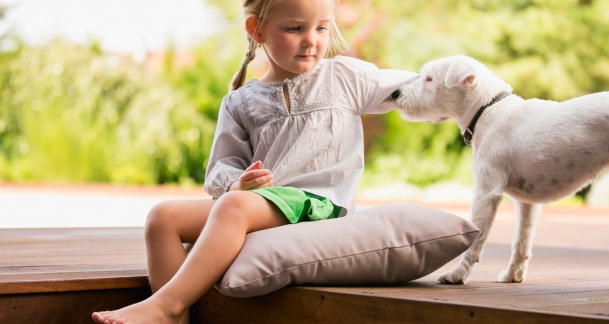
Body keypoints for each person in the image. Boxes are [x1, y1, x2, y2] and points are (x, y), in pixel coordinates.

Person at [91, 0, 416, 323]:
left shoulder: (344, 77)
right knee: (162, 217)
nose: (312, 40)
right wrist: (236, 183)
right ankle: (173, 321)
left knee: (234, 207)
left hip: (321, 206)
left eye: (321, 28)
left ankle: (165, 306)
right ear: (256, 30)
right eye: (295, 28)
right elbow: (221, 168)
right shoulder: (240, 103)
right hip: (266, 207)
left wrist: (458, 84)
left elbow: (416, 88)